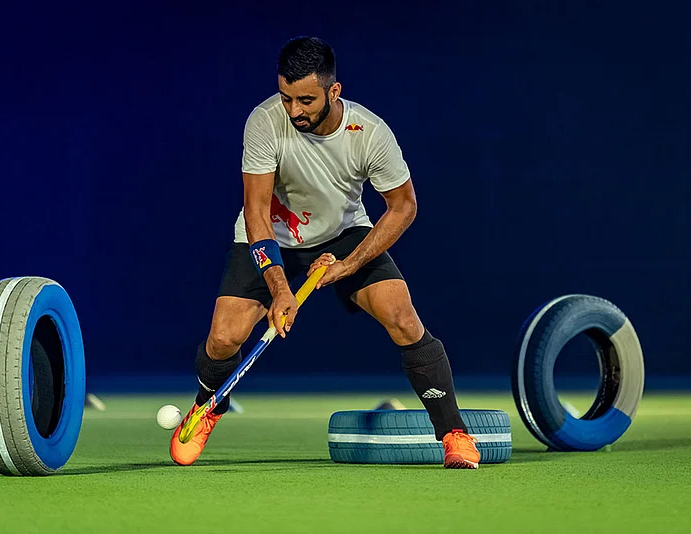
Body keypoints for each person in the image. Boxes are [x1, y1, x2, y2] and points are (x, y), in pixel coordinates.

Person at [170, 36, 480, 469]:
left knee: (403, 319)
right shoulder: (264, 121)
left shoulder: (369, 134)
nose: (294, 110)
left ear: (334, 91)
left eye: (306, 99)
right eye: (286, 97)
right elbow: (256, 211)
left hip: (342, 234)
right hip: (270, 235)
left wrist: (350, 264)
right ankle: (208, 407)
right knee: (223, 339)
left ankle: (453, 433)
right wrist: (280, 289)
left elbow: (403, 206)